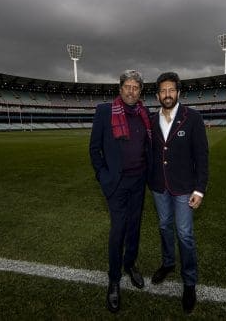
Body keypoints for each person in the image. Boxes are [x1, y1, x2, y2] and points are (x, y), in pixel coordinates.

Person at [89, 70, 152, 313]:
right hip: (116, 183)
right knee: (119, 230)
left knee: (134, 226)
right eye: (127, 86)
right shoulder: (105, 111)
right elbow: (95, 150)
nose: (131, 91)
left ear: (140, 91)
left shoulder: (144, 113)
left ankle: (130, 264)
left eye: (136, 87)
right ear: (120, 88)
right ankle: (114, 279)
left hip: (139, 181)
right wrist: (103, 177)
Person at [148, 71, 209, 314]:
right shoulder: (151, 120)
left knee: (184, 234)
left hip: (185, 188)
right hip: (159, 186)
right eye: (163, 91)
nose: (167, 94)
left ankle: (189, 282)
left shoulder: (192, 118)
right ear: (157, 95)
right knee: (164, 226)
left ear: (178, 93)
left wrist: (200, 189)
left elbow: (202, 157)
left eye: (171, 90)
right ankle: (168, 263)